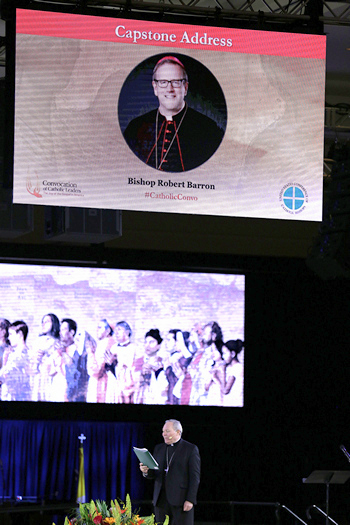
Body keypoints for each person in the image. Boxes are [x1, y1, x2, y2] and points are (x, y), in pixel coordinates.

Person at [123, 56, 224, 172]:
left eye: (176, 82)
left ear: (185, 88)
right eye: (163, 82)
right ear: (155, 88)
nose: (169, 89)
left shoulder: (209, 130)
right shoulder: (135, 128)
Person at [140, 419, 200, 525]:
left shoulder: (190, 449)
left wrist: (190, 499)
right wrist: (146, 471)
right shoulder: (159, 448)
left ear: (178, 432)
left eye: (167, 431)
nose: (164, 434)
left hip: (181, 501)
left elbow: (194, 477)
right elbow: (154, 474)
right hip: (160, 501)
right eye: (163, 431)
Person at [0, 321, 31, 401]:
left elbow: (5, 375)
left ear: (20, 335)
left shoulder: (23, 355)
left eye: (11, 334)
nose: (9, 338)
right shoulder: (13, 354)